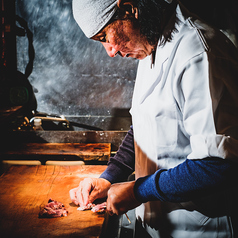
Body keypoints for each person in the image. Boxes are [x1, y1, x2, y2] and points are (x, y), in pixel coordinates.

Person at [69, 0, 238, 237]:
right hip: (156, 226)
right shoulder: (151, 43)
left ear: (128, 8)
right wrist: (109, 177)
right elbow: (145, 126)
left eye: (104, 36)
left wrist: (138, 191)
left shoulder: (199, 53)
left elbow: (218, 164)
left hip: (200, 228)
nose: (110, 52)